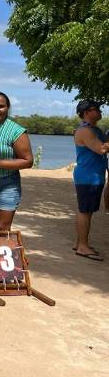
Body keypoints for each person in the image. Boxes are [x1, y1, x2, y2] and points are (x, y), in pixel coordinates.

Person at [0, 92, 33, 232]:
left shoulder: (17, 131)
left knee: (1, 227)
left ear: (7, 107)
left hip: (7, 183)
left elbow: (28, 161)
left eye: (1, 106)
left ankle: (1, 252)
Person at [72, 100, 108, 261]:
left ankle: (81, 242)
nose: (100, 111)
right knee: (85, 211)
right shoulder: (85, 131)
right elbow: (101, 149)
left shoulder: (94, 129)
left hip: (93, 175)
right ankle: (82, 247)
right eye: (96, 109)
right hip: (88, 176)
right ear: (86, 112)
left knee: (87, 210)